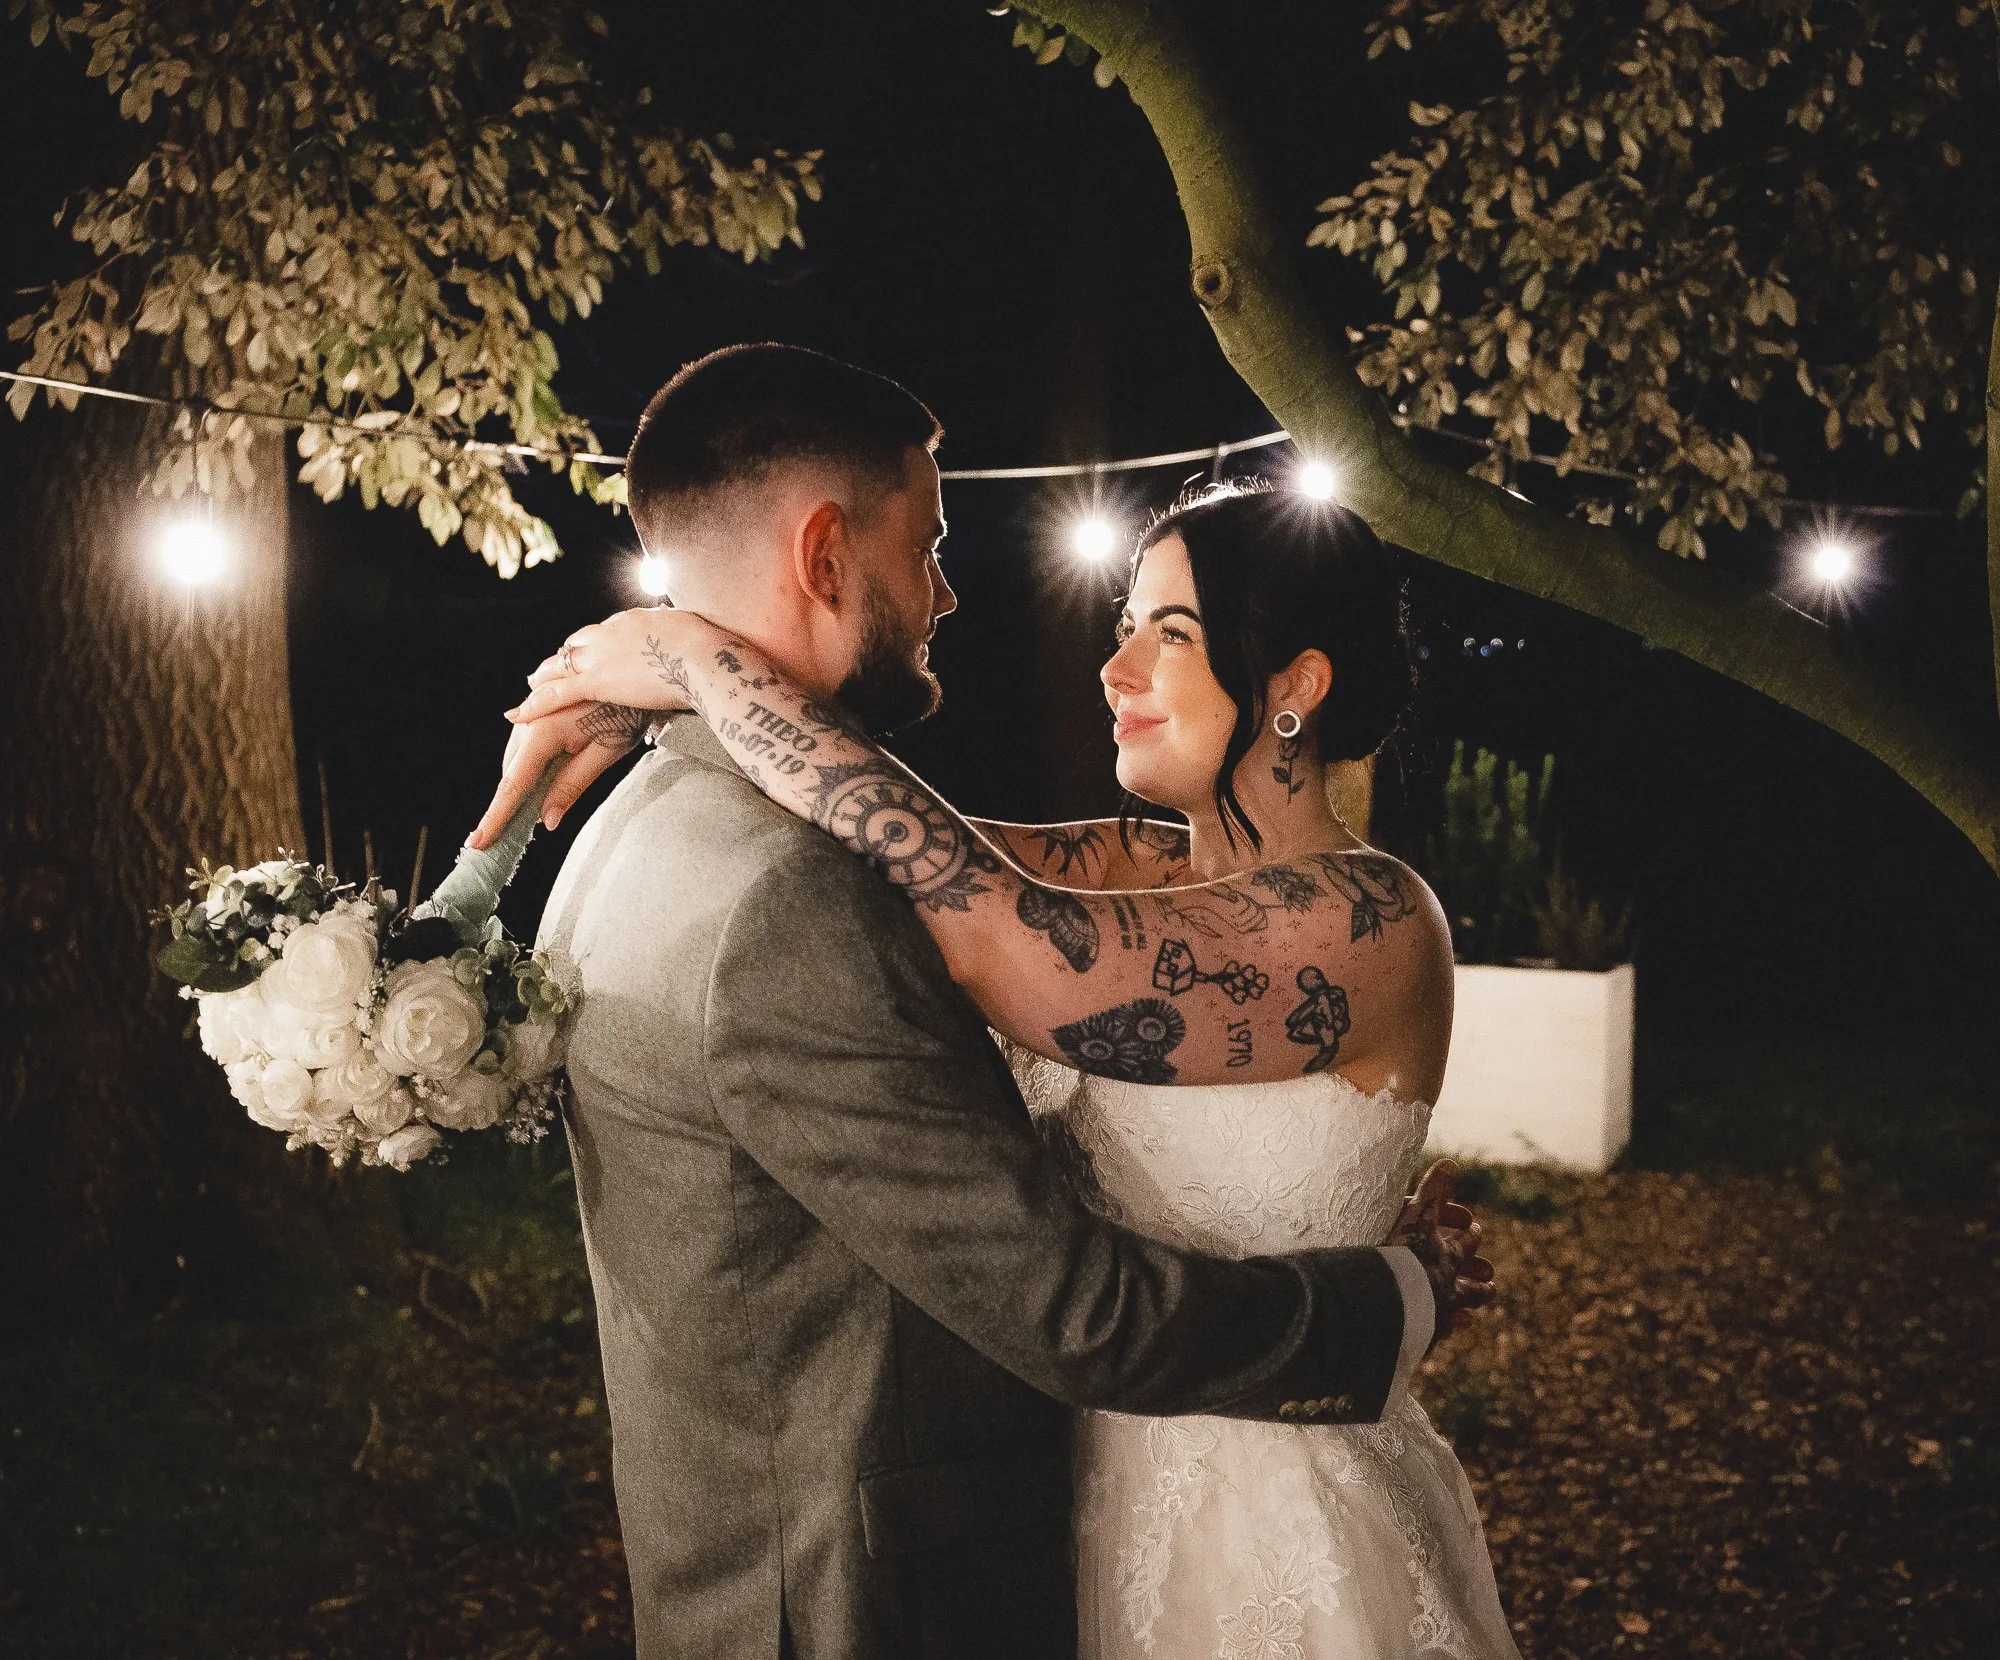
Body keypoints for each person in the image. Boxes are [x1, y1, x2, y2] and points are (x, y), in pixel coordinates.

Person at [476, 343, 1496, 1660]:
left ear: (1295, 685)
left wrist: (702, 661)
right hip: (1086, 1492)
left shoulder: (1372, 920)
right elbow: (916, 854)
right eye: (1125, 628)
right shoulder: (1114, 867)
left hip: (1271, 1510)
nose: (1115, 669)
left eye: (1168, 637)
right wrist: (704, 690)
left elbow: (996, 924)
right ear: (830, 551)